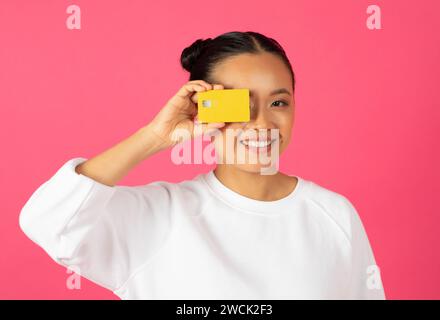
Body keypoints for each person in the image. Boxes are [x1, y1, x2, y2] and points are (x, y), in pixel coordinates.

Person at [19, 31, 386, 299]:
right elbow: (47, 222)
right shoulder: (159, 216)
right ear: (201, 107)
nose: (260, 125)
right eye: (240, 104)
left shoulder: (334, 215)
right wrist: (155, 137)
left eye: (278, 103)